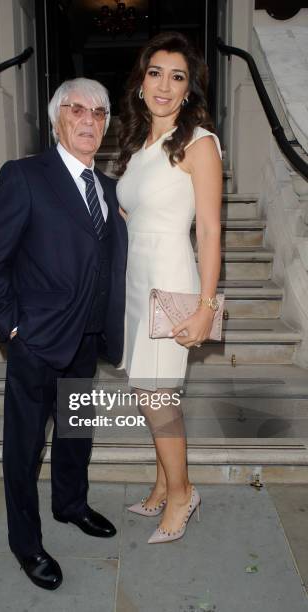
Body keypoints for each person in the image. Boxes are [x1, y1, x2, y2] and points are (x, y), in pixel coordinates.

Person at [0, 78, 127, 589]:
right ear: (56, 118)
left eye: (100, 112)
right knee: (23, 447)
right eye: (77, 109)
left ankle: (71, 504)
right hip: (36, 341)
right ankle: (26, 542)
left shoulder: (105, 188)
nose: (90, 120)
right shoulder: (24, 176)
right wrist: (12, 326)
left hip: (86, 341)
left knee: (75, 431)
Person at [115, 31, 222, 544]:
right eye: (155, 72)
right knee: (147, 392)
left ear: (188, 90)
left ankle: (182, 494)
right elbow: (138, 207)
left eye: (177, 76)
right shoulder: (139, 144)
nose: (164, 84)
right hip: (137, 279)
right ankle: (162, 483)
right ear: (140, 83)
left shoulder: (199, 142)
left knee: (158, 395)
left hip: (170, 280)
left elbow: (208, 230)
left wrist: (205, 306)